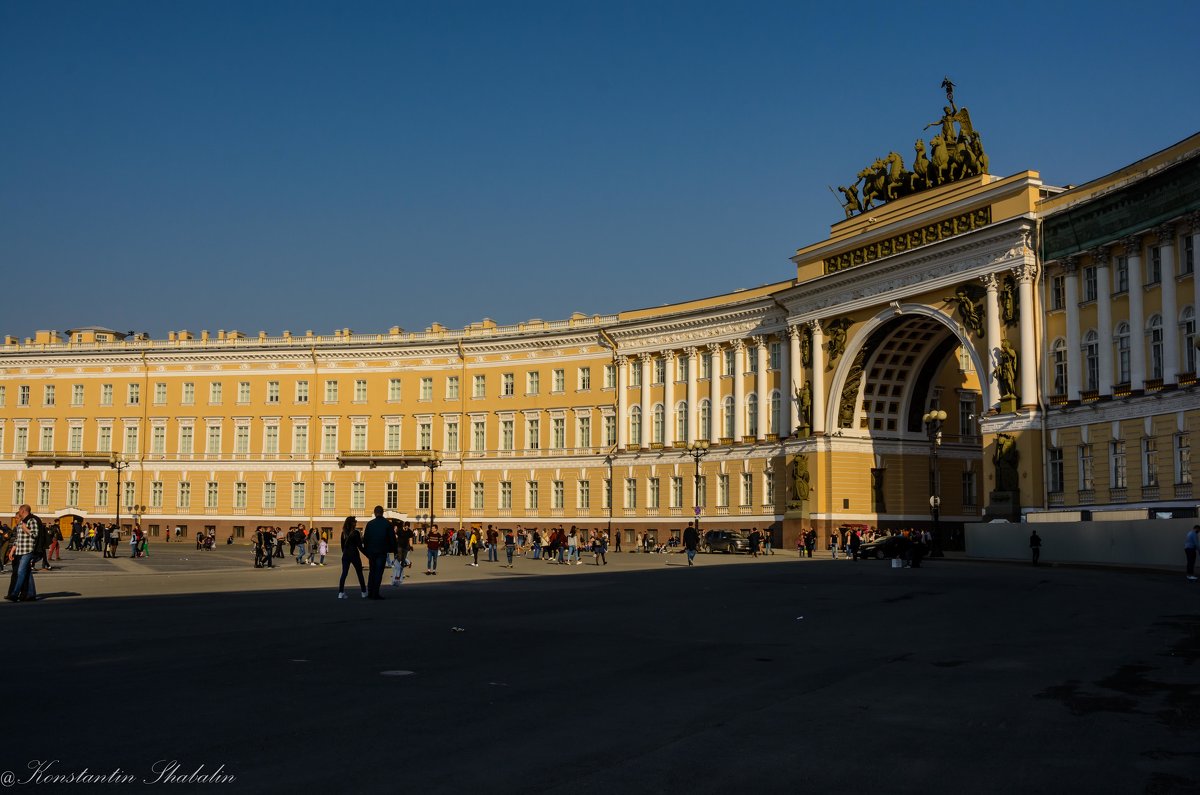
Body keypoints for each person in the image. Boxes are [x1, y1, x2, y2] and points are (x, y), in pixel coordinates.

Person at [6, 505, 42, 602]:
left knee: (20, 572)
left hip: (28, 550)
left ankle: (15, 593)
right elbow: (18, 538)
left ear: (23, 511)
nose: (19, 512)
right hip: (19, 551)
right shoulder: (21, 522)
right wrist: (12, 550)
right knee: (27, 572)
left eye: (19, 510)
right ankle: (31, 594)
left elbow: (35, 534)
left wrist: (26, 529)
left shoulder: (32, 521)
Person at [362, 506, 394, 599]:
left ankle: (370, 592)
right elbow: (392, 539)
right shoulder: (387, 524)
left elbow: (365, 539)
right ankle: (375, 593)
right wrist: (393, 550)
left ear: (375, 513)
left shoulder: (370, 524)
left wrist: (367, 551)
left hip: (372, 552)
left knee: (372, 571)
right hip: (382, 551)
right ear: (383, 513)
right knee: (379, 572)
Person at [337, 516, 367, 600]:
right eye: (355, 521)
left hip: (346, 555)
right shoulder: (356, 533)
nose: (356, 523)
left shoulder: (343, 533)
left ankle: (340, 592)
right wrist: (368, 555)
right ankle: (363, 592)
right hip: (354, 555)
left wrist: (345, 553)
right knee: (359, 573)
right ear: (352, 523)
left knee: (344, 573)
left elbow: (342, 546)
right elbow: (360, 546)